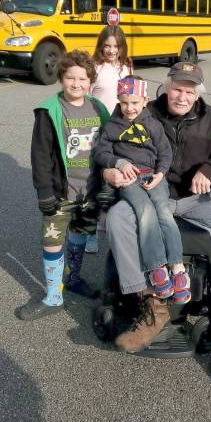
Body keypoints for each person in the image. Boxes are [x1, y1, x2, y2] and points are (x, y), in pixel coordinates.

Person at [103, 62, 211, 406]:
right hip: (147, 193)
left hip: (196, 200)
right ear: (167, 87)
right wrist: (111, 171)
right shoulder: (144, 112)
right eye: (178, 87)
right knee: (118, 218)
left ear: (197, 94)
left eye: (190, 90)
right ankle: (152, 304)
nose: (183, 95)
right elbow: (110, 143)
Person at [15, 50, 109, 321]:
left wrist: (107, 182)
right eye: (70, 78)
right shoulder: (49, 111)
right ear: (61, 78)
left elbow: (108, 146)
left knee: (79, 233)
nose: (76, 84)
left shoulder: (98, 108)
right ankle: (54, 296)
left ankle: (74, 278)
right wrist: (44, 191)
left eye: (82, 78)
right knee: (53, 241)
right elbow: (40, 155)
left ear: (90, 81)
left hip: (89, 191)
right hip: (60, 193)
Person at [95, 75, 191, 303]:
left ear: (145, 100)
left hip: (154, 177)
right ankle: (156, 267)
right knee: (144, 211)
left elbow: (166, 153)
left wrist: (160, 175)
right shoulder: (112, 125)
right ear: (118, 100)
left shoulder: (152, 124)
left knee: (163, 213)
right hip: (129, 178)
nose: (129, 108)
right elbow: (101, 153)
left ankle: (177, 267)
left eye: (135, 102)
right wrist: (119, 163)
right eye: (125, 102)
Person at [85, 24, 133, 253]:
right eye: (107, 46)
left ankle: (109, 226)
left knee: (113, 181)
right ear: (101, 46)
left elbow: (131, 96)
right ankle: (90, 230)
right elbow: (85, 98)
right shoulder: (95, 67)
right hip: (97, 131)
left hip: (120, 131)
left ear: (122, 47)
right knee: (94, 179)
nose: (111, 50)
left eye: (115, 46)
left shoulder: (126, 67)